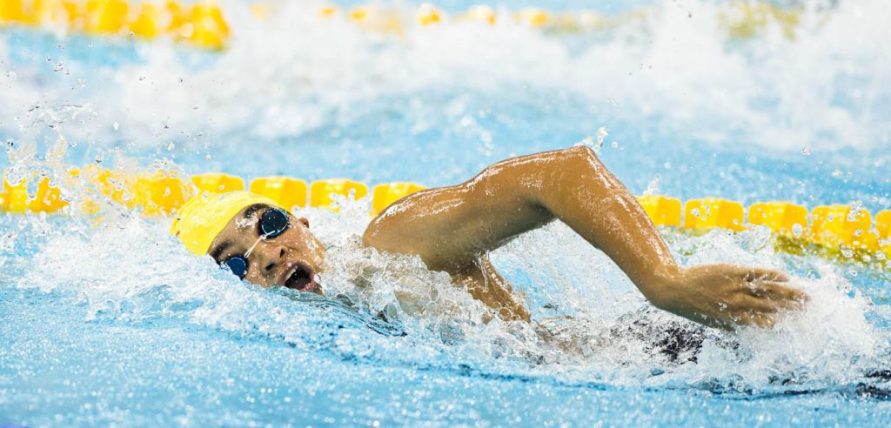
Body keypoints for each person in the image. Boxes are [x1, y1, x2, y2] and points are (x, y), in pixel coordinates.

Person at [170, 145, 806, 330]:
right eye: (237, 262)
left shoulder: (391, 243)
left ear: (302, 223)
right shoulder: (342, 312)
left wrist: (665, 282)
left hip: (660, 348)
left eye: (270, 225)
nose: (269, 253)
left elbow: (562, 172)